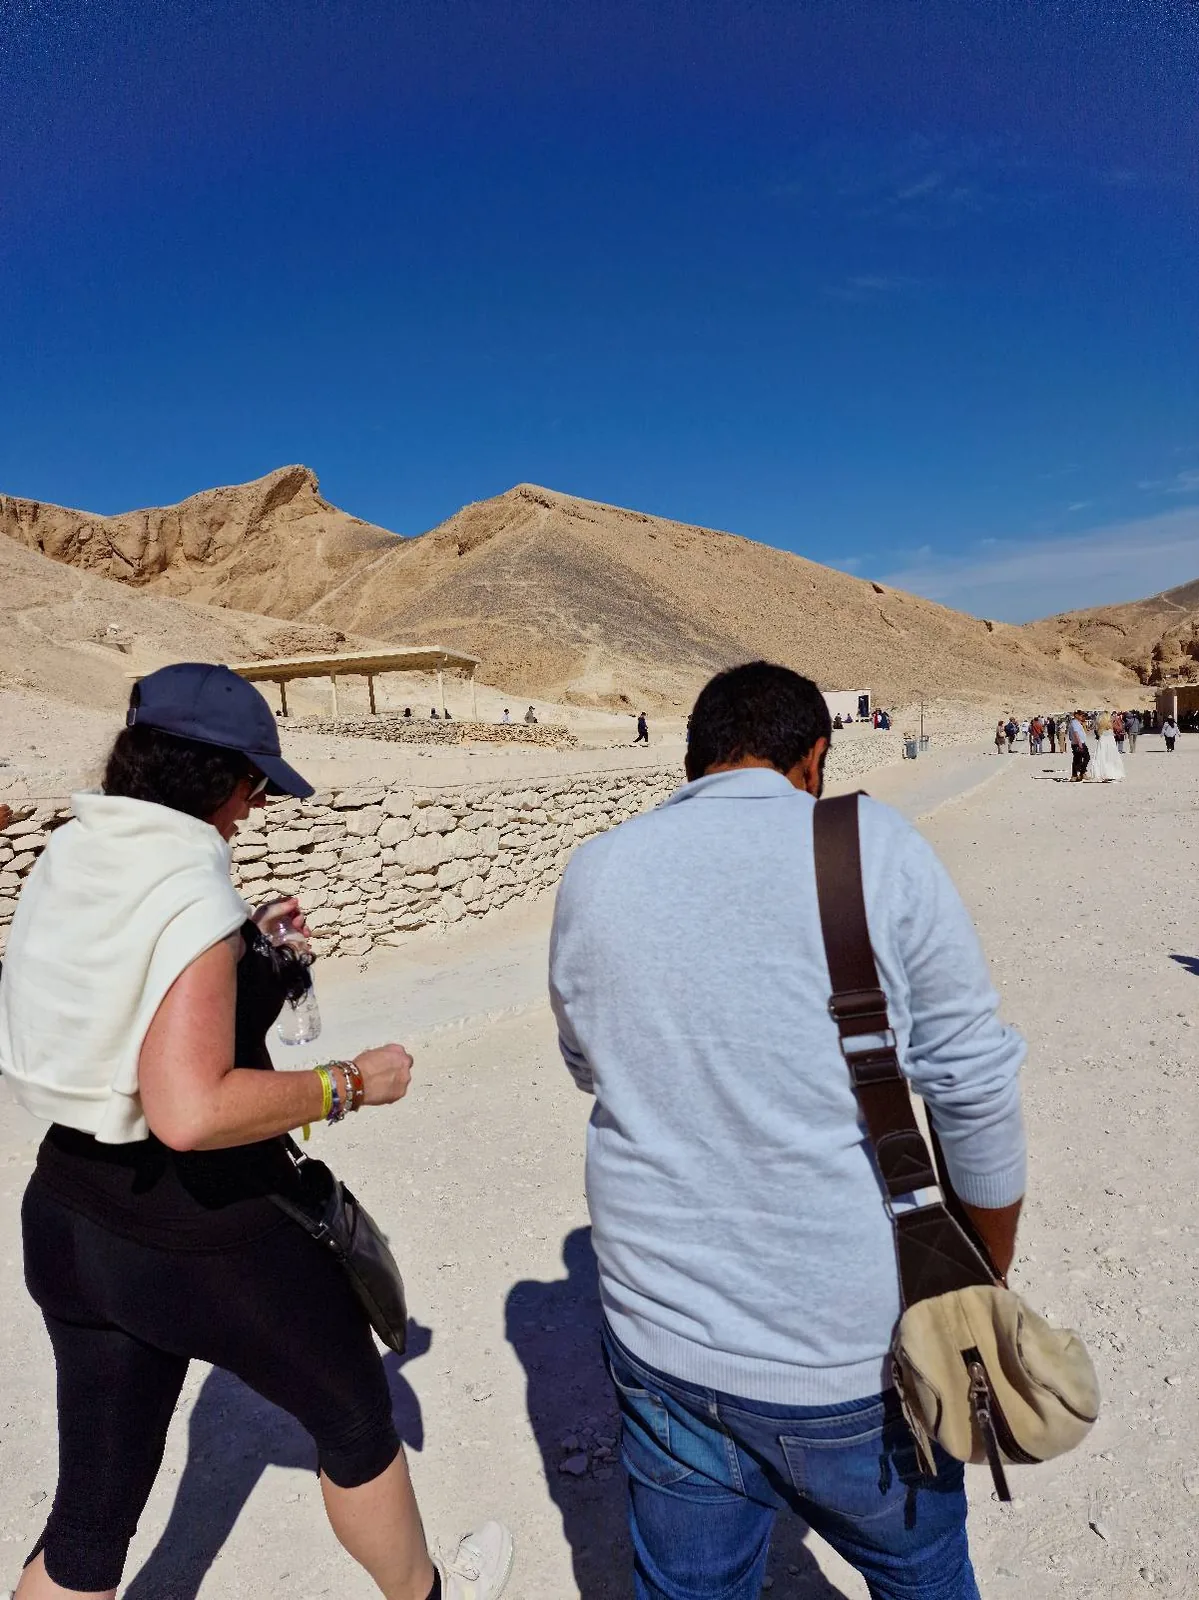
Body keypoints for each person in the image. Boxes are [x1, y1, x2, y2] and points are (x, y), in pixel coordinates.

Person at [0, 664, 513, 1600]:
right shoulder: (191, 889)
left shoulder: (77, 853)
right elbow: (189, 1110)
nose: (253, 811)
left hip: (66, 1214)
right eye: (252, 787)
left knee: (89, 1521)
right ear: (214, 777)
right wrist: (352, 1083)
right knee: (358, 1425)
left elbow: (131, 1022)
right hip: (197, 1236)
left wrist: (255, 957)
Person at [549, 661, 1025, 1600]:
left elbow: (586, 1063)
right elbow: (970, 1083)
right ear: (811, 758)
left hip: (663, 1342)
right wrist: (981, 1272)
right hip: (849, 1353)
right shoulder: (868, 846)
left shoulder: (595, 868)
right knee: (921, 1574)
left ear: (692, 761)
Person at [1090, 712, 1125, 782]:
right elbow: (1120, 728)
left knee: (1102, 757)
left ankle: (1102, 773)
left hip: (1102, 741)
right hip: (1110, 742)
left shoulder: (1100, 724)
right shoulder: (1110, 724)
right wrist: (1117, 720)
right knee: (1110, 758)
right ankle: (1110, 773)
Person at [1068, 709, 1091, 782]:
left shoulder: (1077, 722)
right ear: (1076, 715)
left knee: (1077, 759)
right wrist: (1080, 743)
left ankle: (1076, 775)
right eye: (1081, 715)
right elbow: (1076, 733)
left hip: (1078, 743)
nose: (1082, 716)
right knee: (1086, 757)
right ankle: (1081, 773)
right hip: (1078, 743)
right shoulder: (1075, 722)